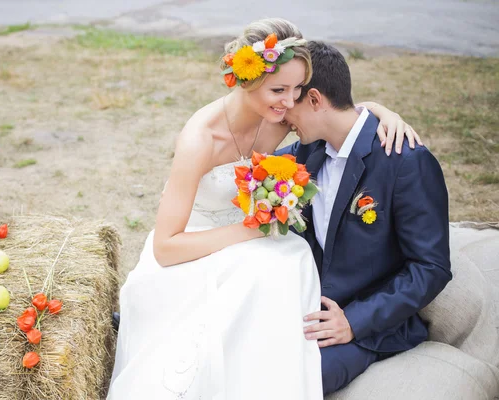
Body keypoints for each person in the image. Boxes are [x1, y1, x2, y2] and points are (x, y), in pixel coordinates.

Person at [108, 19, 419, 400]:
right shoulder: (199, 139)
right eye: (279, 89)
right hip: (194, 248)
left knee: (288, 263)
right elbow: (166, 247)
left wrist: (382, 112)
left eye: (298, 89)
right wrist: (252, 229)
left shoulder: (277, 117)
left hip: (253, 240)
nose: (291, 102)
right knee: (261, 276)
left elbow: (337, 112)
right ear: (245, 78)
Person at [276, 41, 452, 395]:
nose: (281, 111)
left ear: (314, 100)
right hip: (301, 304)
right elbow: (252, 165)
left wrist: (353, 322)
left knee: (290, 380)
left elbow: (430, 267)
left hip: (366, 327)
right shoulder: (308, 150)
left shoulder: (406, 162)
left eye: (290, 97)